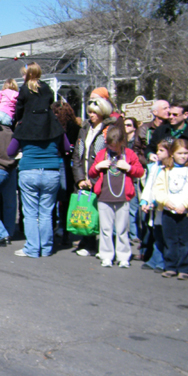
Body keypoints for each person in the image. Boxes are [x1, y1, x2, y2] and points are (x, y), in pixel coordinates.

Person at [9, 63, 70, 258]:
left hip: (29, 171)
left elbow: (10, 151)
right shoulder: (55, 125)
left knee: (30, 213)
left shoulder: (23, 125)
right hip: (51, 172)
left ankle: (32, 248)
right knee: (46, 213)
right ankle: (46, 247)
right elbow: (67, 148)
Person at [88, 120, 144, 268]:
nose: (113, 148)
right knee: (105, 229)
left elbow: (140, 172)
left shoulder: (129, 154)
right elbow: (91, 172)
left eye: (115, 146)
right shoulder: (102, 154)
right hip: (105, 196)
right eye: (110, 145)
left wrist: (129, 168)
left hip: (123, 196)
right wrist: (98, 166)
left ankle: (123, 256)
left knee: (122, 229)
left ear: (121, 143)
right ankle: (106, 255)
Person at [71, 93, 116, 256]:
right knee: (86, 210)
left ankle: (105, 246)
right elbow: (77, 153)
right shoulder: (85, 128)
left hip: (101, 175)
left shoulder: (109, 129)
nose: (91, 115)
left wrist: (94, 178)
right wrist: (80, 178)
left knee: (103, 213)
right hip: (84, 173)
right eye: (89, 112)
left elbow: (110, 154)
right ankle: (87, 243)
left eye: (94, 112)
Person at [152, 138, 188, 279]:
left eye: (186, 153)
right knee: (170, 239)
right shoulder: (166, 171)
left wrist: (185, 204)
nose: (183, 156)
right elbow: (159, 189)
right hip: (169, 210)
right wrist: (166, 201)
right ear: (172, 154)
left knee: (185, 240)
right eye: (180, 153)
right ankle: (170, 266)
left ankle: (185, 268)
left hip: (186, 212)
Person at [139, 139, 173, 273]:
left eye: (161, 150)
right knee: (155, 232)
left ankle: (162, 260)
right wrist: (145, 201)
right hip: (153, 206)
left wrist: (155, 203)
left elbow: (165, 190)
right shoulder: (155, 166)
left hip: (162, 206)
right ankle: (155, 259)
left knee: (163, 234)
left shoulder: (170, 168)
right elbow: (149, 186)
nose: (157, 153)